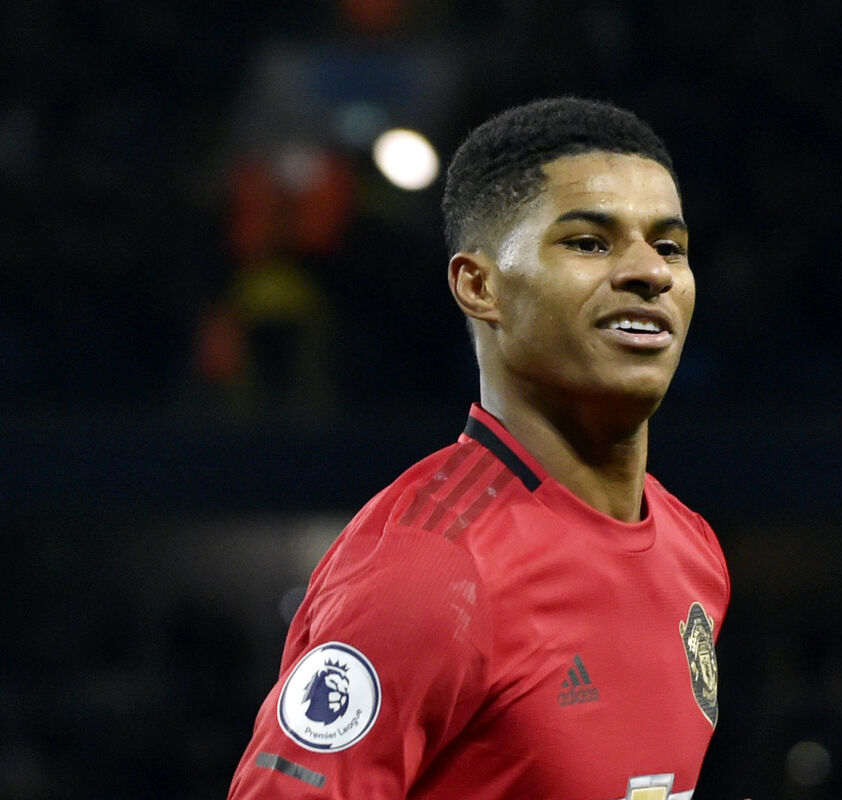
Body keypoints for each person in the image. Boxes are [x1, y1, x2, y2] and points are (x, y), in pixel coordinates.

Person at [227, 96, 730, 800]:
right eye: (590, 242)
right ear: (479, 285)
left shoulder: (693, 551)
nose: (651, 272)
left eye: (669, 246)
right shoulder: (429, 572)